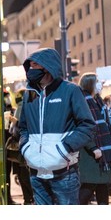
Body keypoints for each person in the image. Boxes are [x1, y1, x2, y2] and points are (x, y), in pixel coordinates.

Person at [19, 48, 95, 205]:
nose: (31, 70)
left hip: (64, 174)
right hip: (36, 172)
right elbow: (23, 127)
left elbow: (87, 125)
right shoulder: (30, 94)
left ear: (48, 67)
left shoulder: (70, 90)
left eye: (35, 66)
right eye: (30, 66)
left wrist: (64, 148)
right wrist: (26, 148)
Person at [77, 73, 111, 204]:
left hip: (104, 153)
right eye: (98, 81)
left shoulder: (98, 101)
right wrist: (93, 147)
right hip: (91, 153)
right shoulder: (83, 101)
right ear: (90, 84)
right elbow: (83, 127)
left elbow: (107, 127)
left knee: (103, 187)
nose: (100, 84)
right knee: (87, 188)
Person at [8, 88, 34, 205]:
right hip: (23, 146)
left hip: (21, 146)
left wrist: (15, 122)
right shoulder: (26, 107)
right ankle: (29, 199)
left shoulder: (21, 108)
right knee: (24, 174)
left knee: (23, 174)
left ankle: (28, 199)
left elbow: (19, 128)